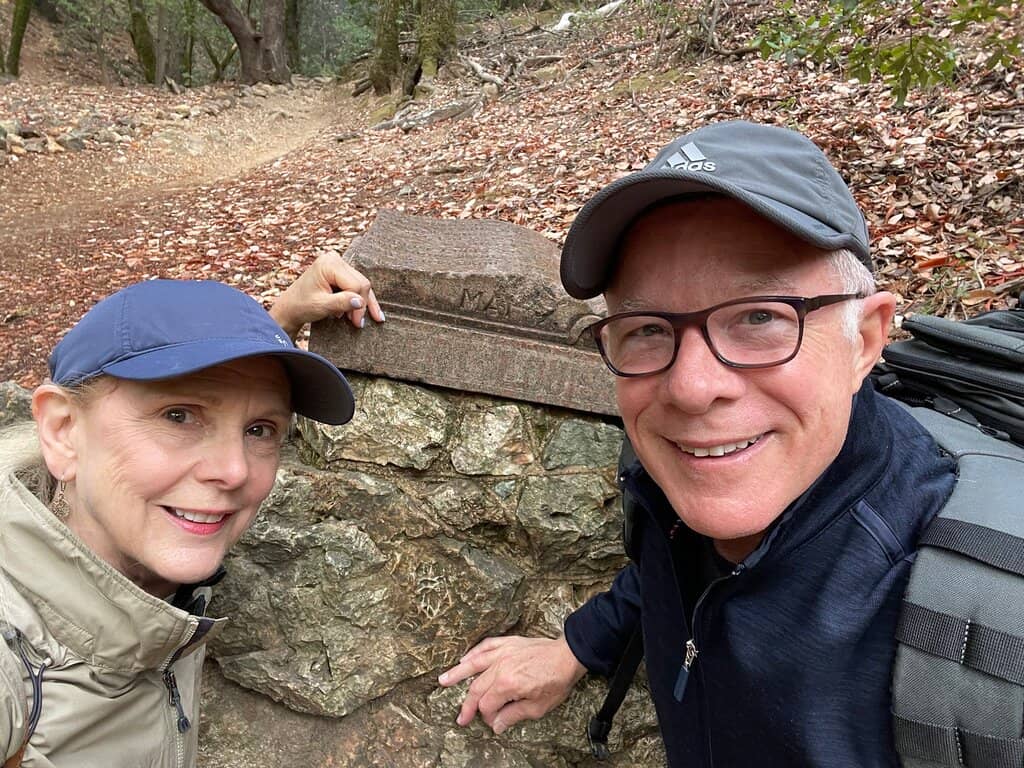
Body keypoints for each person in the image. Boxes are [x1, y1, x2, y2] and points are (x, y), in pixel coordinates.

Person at [439, 120, 958, 767]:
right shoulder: (674, 485)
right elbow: (675, 572)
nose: (689, 387)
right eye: (649, 328)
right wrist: (578, 647)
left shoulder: (980, 626)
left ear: (868, 339)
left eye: (760, 317)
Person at [0, 253, 383, 768]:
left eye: (260, 430)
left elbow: (227, 388)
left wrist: (278, 322)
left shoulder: (141, 555)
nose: (234, 471)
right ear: (63, 431)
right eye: (178, 416)